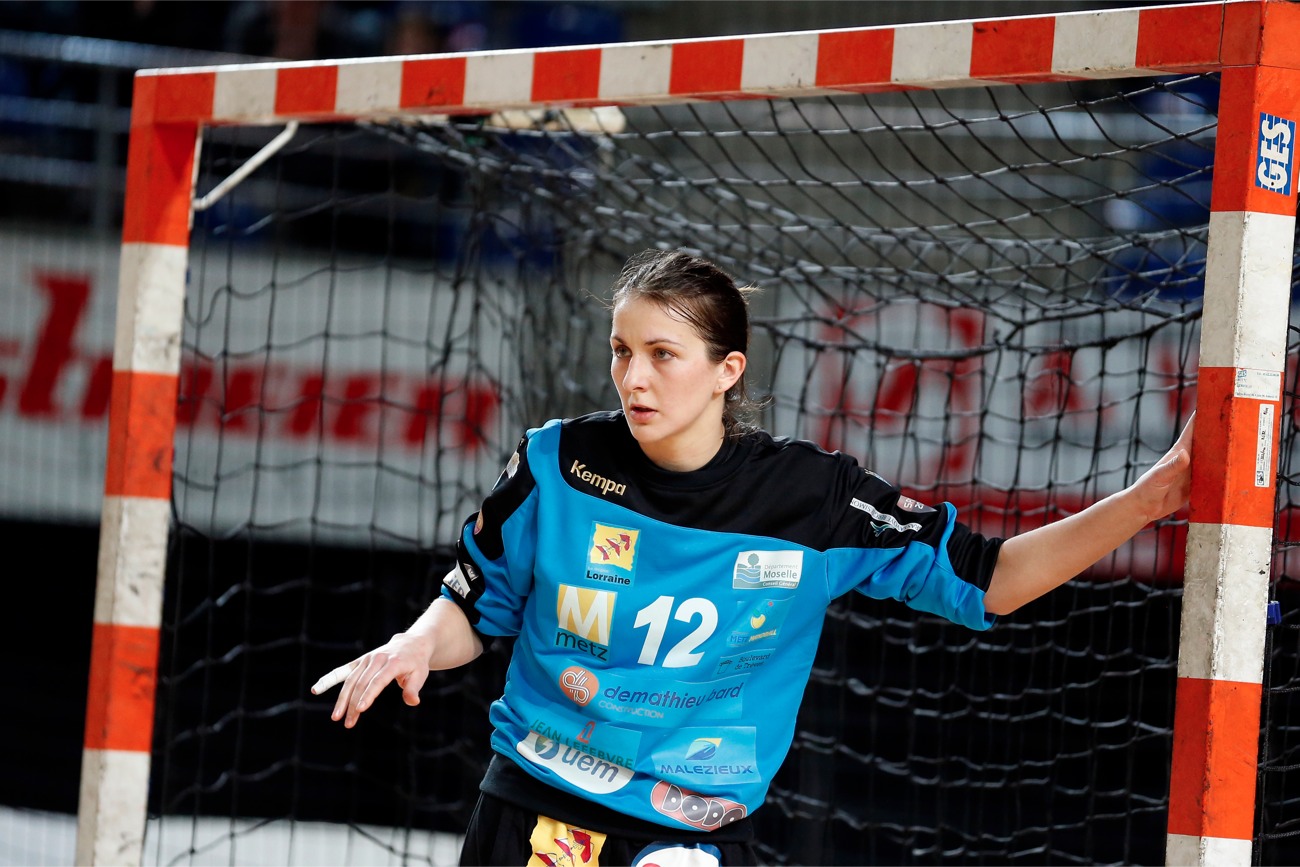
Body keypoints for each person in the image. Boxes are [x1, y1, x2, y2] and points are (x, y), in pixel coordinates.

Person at [312, 249, 1194, 866]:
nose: (635, 378)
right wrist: (415, 643)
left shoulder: (810, 498)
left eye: (663, 355)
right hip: (534, 809)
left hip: (687, 835)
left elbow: (990, 581)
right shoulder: (556, 461)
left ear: (727, 369)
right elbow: (474, 604)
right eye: (622, 351)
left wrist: (1152, 499)